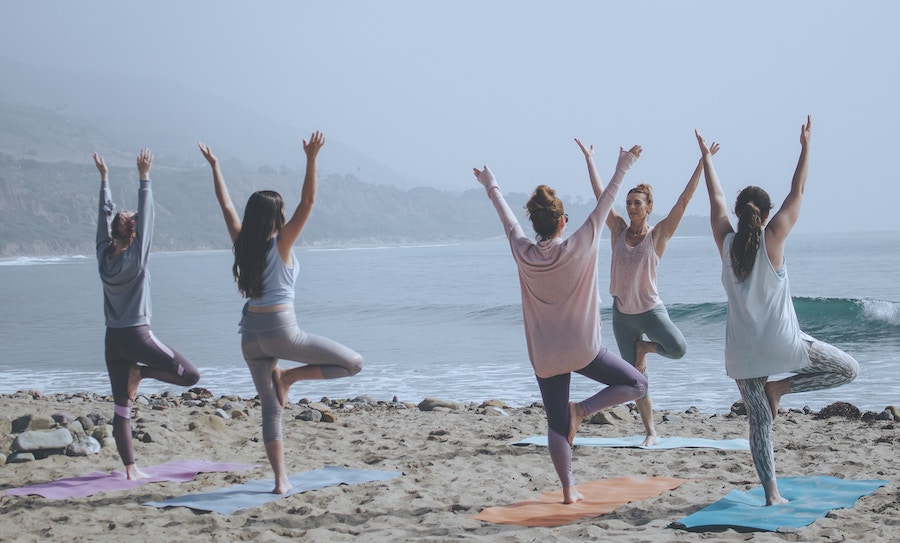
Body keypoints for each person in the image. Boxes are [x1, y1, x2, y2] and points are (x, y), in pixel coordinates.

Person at [473, 144, 648, 504]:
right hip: (583, 349)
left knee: (555, 426)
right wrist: (624, 164)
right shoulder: (579, 244)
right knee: (637, 383)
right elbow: (607, 202)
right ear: (563, 221)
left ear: (535, 225)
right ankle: (581, 410)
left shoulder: (522, 251)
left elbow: (507, 218)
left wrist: (490, 184)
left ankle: (568, 492)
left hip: (546, 356)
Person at [696, 116, 858, 505]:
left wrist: (707, 160)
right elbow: (798, 190)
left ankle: (772, 495)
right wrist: (805, 148)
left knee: (759, 424)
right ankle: (782, 386)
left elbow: (714, 201)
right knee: (848, 369)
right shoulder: (774, 239)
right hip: (784, 345)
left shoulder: (726, 243)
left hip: (742, 354)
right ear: (766, 215)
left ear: (738, 214)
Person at [199, 132, 363, 494]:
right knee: (353, 363)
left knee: (270, 410)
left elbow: (225, 207)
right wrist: (311, 158)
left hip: (249, 337)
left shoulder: (242, 244)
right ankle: (289, 377)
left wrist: (215, 167)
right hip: (280, 330)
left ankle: (280, 481)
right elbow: (309, 201)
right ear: (277, 215)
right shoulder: (282, 242)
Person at [575, 138, 719, 446]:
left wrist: (702, 162)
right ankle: (651, 431)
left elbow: (684, 200)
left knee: (678, 348)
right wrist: (590, 159)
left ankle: (646, 349)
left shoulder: (659, 235)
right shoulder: (616, 230)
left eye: (637, 202)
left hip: (651, 311)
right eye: (628, 202)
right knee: (637, 382)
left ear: (649, 207)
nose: (630, 207)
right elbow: (603, 196)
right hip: (622, 316)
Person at [94, 149, 201, 480]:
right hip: (138, 338)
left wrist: (105, 181)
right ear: (134, 235)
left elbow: (103, 216)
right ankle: (141, 374)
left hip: (113, 341)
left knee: (121, 408)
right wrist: (144, 177)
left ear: (113, 233)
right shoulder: (137, 258)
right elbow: (148, 214)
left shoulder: (102, 255)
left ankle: (130, 469)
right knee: (190, 375)